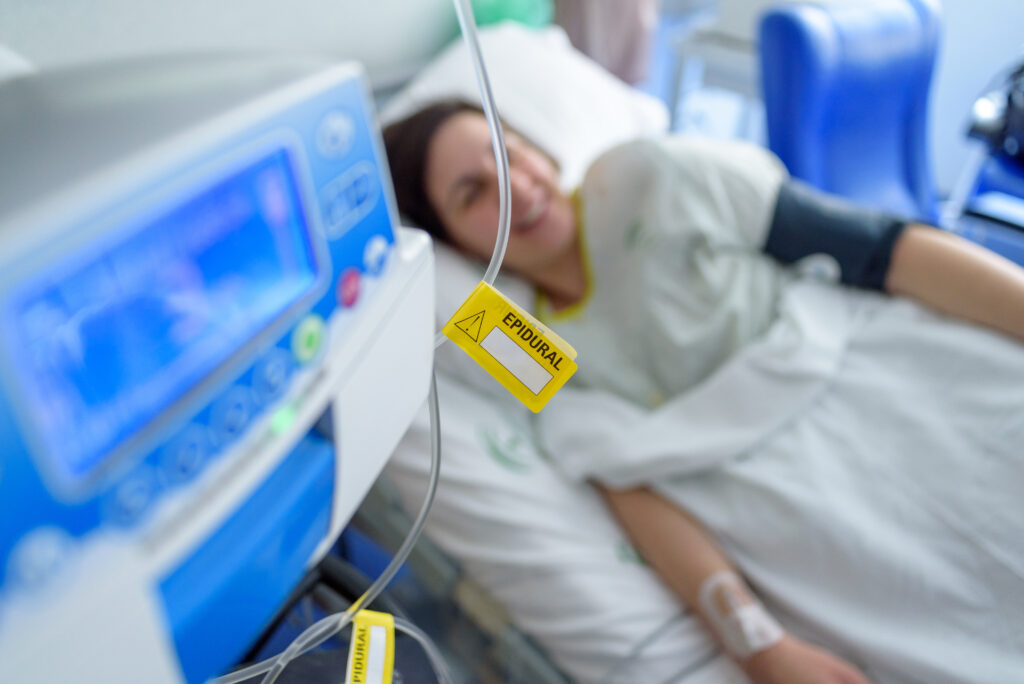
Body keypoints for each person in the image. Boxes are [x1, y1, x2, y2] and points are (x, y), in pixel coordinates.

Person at [382, 100, 1024, 683]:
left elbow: (888, 251)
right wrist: (759, 645)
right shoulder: (522, 340)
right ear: (454, 244)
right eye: (475, 194)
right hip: (791, 489)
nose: (519, 190)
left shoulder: (643, 178)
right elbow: (617, 471)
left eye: (511, 153)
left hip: (881, 371)